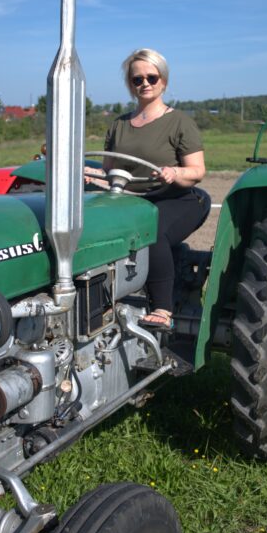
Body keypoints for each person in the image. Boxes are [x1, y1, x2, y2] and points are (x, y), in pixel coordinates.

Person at [87, 48, 208, 330]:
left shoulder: (179, 122)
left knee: (152, 231)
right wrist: (91, 175)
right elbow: (110, 173)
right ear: (130, 84)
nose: (145, 84)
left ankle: (163, 308)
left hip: (177, 197)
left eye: (151, 77)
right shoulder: (119, 125)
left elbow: (198, 171)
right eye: (137, 79)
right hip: (131, 198)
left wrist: (175, 172)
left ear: (163, 80)